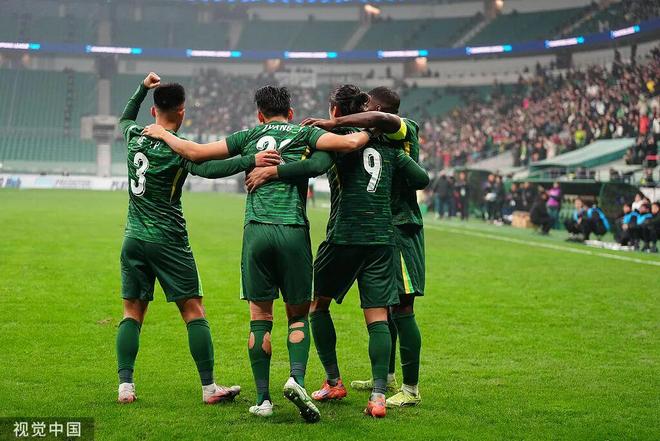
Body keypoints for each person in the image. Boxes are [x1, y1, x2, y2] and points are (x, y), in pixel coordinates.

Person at [141, 85, 373, 422]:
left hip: (256, 231)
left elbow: (197, 153)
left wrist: (163, 133)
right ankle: (296, 380)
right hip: (292, 230)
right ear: (290, 113)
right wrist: (370, 127)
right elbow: (345, 147)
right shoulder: (304, 133)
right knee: (297, 316)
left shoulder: (248, 135)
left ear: (259, 115)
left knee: (260, 316)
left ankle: (263, 400)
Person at [256, 84, 429, 418]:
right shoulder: (390, 146)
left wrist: (273, 168)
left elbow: (314, 165)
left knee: (329, 305)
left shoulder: (380, 131)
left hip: (367, 232)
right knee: (381, 313)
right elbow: (421, 178)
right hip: (383, 236)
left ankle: (350, 382)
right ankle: (381, 390)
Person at [116, 73, 282, 405]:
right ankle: (209, 388)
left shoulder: (134, 136)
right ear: (182, 111)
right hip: (169, 240)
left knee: (132, 312)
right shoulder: (178, 149)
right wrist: (251, 160)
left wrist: (142, 89)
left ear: (153, 111)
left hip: (133, 237)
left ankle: (125, 386)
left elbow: (124, 118)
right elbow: (209, 169)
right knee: (193, 310)